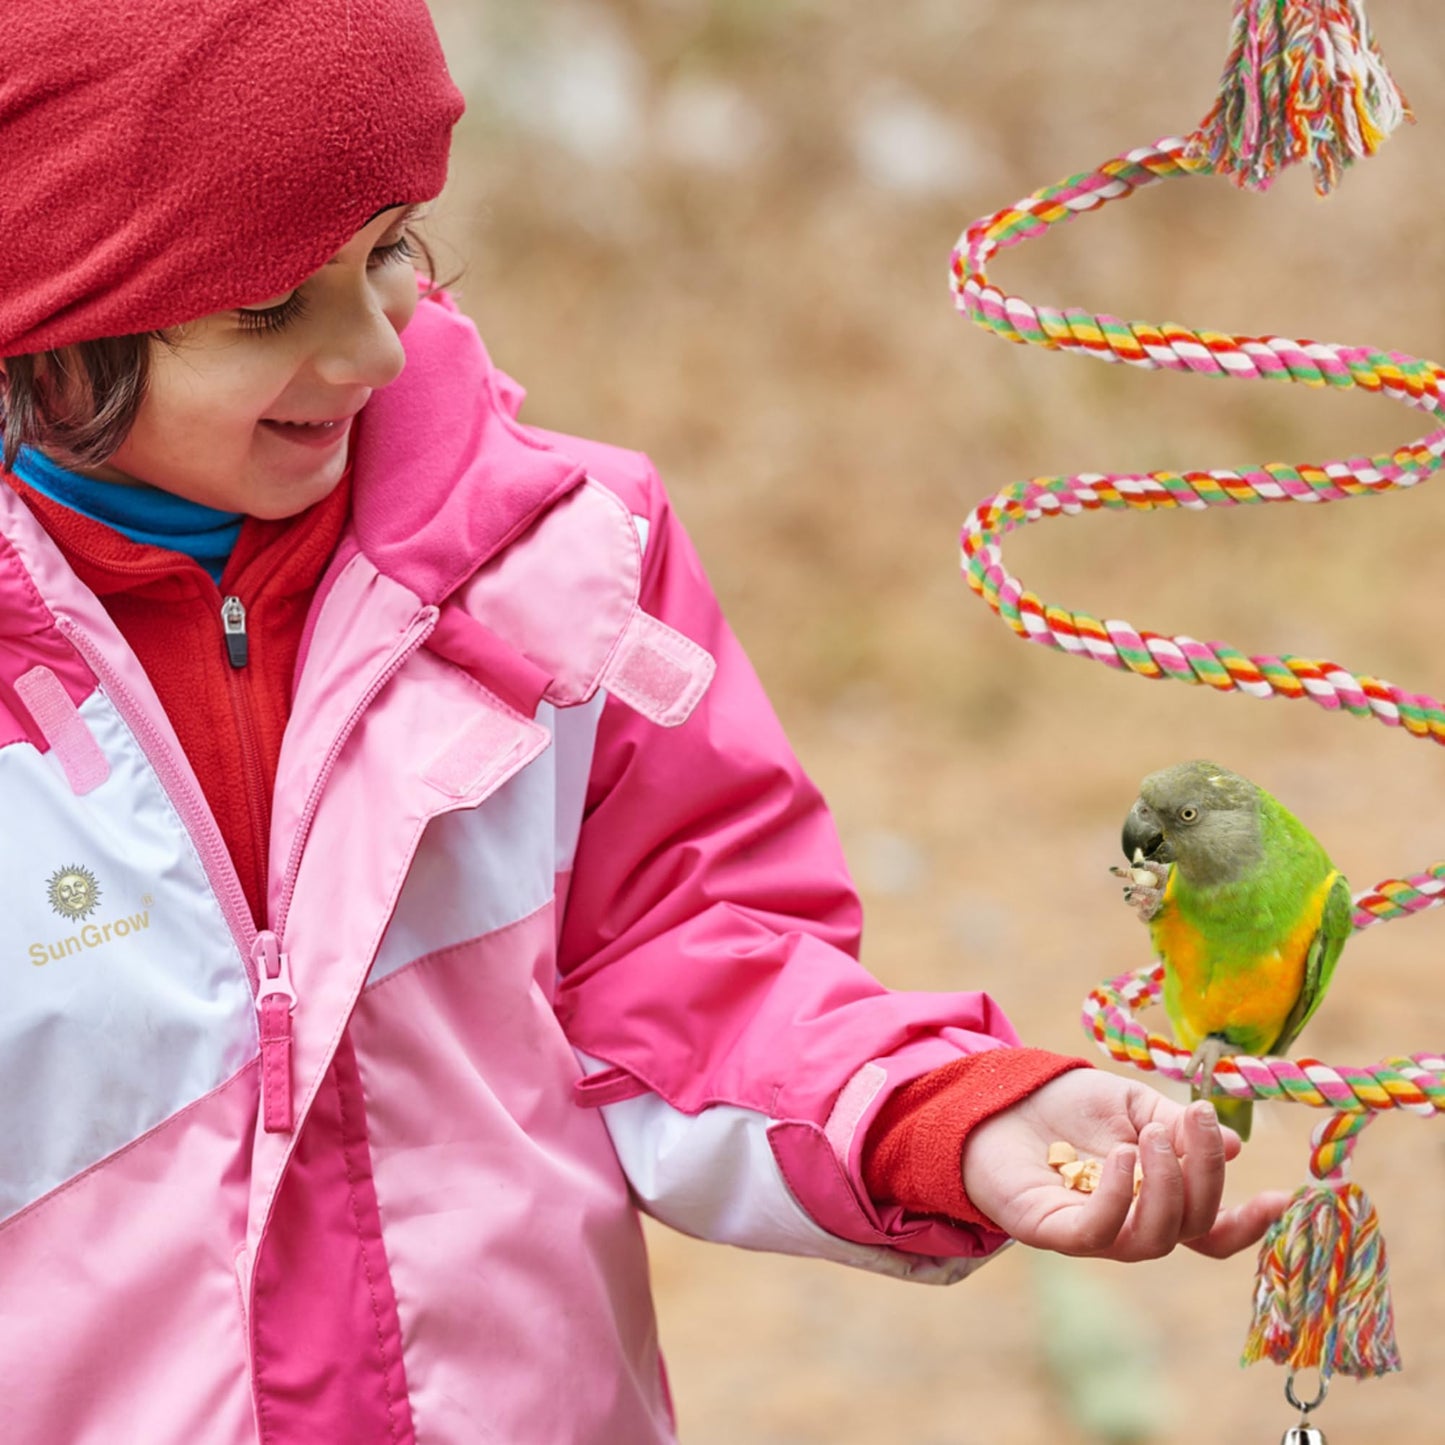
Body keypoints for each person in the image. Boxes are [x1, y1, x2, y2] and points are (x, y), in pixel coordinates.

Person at [0, 1, 1287, 1440]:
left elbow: (687, 958)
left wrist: (946, 1113)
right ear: (53, 324)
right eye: (266, 311)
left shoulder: (555, 568)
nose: (370, 350)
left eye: (386, 252)